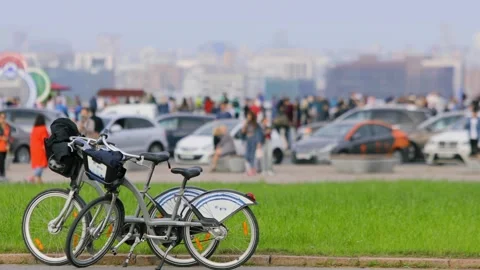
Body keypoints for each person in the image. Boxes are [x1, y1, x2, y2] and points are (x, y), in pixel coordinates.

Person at [26, 115, 49, 183]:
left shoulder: (34, 128)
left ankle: (39, 181)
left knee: (37, 164)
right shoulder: (43, 128)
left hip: (33, 148)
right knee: (41, 164)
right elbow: (44, 139)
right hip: (40, 149)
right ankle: (32, 177)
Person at [241, 111, 264, 176]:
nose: (248, 117)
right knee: (247, 156)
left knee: (253, 156)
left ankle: (253, 170)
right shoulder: (246, 124)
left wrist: (258, 142)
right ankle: (249, 170)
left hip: (253, 140)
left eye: (250, 116)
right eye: (247, 116)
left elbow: (259, 133)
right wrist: (245, 124)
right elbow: (242, 132)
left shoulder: (256, 125)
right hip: (248, 140)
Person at [0, 113, 10, 181]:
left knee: (3, 161)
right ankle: (2, 175)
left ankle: (3, 175)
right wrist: (2, 138)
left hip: (5, 147)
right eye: (1, 117)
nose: (3, 119)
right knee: (1, 162)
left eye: (4, 118)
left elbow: (9, 136)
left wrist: (8, 144)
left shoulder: (7, 126)